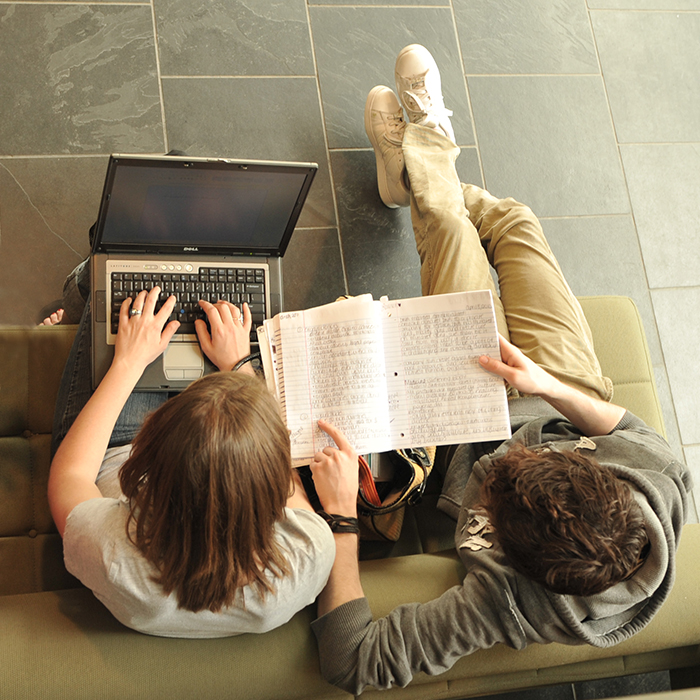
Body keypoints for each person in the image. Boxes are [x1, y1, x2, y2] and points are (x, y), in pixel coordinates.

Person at [307, 44, 692, 693]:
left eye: (502, 484)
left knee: (456, 235)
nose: (516, 456)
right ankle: (419, 173)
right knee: (514, 221)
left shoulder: (505, 603)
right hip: (559, 387)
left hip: (466, 419)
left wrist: (343, 521)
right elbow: (624, 424)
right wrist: (545, 387)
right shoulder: (654, 493)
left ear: (507, 549)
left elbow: (352, 663)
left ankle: (424, 165)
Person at [48, 267, 336, 637]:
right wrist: (238, 365)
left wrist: (129, 361)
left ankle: (71, 307)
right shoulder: (307, 556)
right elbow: (273, 467)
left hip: (114, 447)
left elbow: (70, 476)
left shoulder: (114, 556)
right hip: (200, 447)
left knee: (113, 271)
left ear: (149, 459)